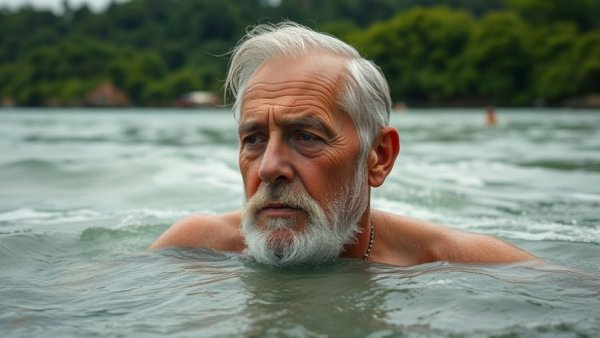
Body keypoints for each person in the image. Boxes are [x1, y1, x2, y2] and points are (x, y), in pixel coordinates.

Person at [150, 22, 535, 267]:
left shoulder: (459, 265)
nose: (268, 167)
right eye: (254, 139)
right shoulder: (194, 250)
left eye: (306, 137)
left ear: (378, 158)